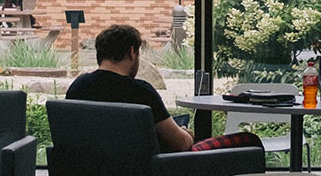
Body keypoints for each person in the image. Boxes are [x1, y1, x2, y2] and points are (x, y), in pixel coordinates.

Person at [67, 24, 260, 153]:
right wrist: (185, 133)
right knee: (249, 141)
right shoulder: (140, 92)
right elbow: (181, 144)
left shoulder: (77, 87)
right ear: (132, 52)